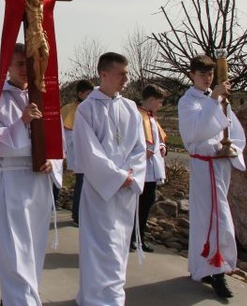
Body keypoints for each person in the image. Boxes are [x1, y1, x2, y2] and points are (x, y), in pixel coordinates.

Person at [0, 43, 62, 306]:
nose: (25, 70)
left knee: (35, 246)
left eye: (29, 63)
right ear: (7, 67)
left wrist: (53, 162)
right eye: (19, 64)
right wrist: (21, 123)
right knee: (14, 248)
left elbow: (59, 139)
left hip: (40, 180)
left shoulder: (44, 96)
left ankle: (21, 298)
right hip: (14, 179)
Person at [73, 52, 146, 306]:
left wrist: (131, 175)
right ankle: (94, 298)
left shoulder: (130, 108)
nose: (126, 79)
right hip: (99, 190)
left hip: (124, 191)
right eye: (121, 74)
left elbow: (139, 147)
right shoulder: (87, 109)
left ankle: (115, 297)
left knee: (118, 247)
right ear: (104, 74)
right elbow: (88, 151)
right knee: (100, 246)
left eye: (127, 73)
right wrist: (116, 177)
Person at [178, 54, 246, 298]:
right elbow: (194, 132)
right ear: (191, 75)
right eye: (201, 74)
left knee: (209, 217)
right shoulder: (187, 102)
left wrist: (233, 148)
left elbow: (233, 130)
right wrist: (215, 98)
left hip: (219, 165)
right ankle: (217, 271)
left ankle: (202, 266)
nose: (206, 79)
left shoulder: (215, 99)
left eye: (209, 74)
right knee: (217, 219)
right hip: (203, 165)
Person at [133, 84, 168, 252]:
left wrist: (162, 146)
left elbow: (158, 138)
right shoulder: (136, 115)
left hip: (152, 168)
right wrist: (141, 152)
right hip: (141, 168)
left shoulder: (151, 117)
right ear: (152, 100)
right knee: (138, 205)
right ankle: (133, 237)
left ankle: (140, 237)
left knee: (146, 204)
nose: (161, 105)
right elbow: (131, 140)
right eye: (159, 102)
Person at [60, 79, 94, 225]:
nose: (90, 96)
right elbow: (65, 133)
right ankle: (78, 214)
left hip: (90, 151)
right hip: (78, 150)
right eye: (88, 94)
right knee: (81, 181)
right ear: (80, 94)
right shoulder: (69, 109)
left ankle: (85, 213)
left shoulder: (93, 108)